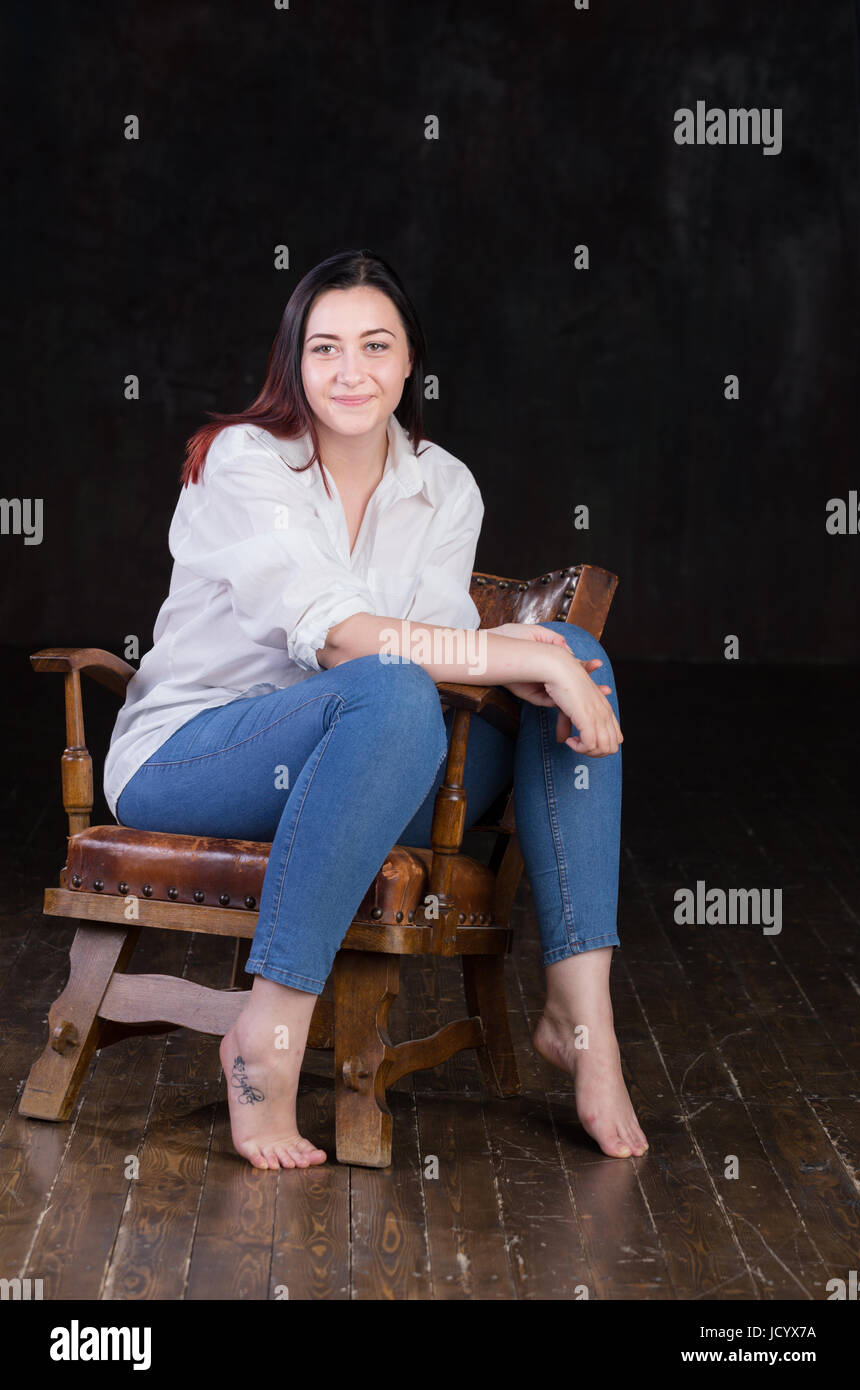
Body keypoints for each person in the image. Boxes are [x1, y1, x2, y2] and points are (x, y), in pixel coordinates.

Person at [104, 248, 648, 1171]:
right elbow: (343, 634)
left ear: (408, 366)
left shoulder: (444, 483)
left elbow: (429, 656)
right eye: (324, 349)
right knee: (396, 683)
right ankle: (265, 1033)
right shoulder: (245, 460)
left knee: (577, 658)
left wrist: (530, 662)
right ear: (294, 363)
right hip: (198, 759)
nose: (349, 372)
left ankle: (580, 1016)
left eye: (374, 346)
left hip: (364, 770)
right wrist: (508, 652)